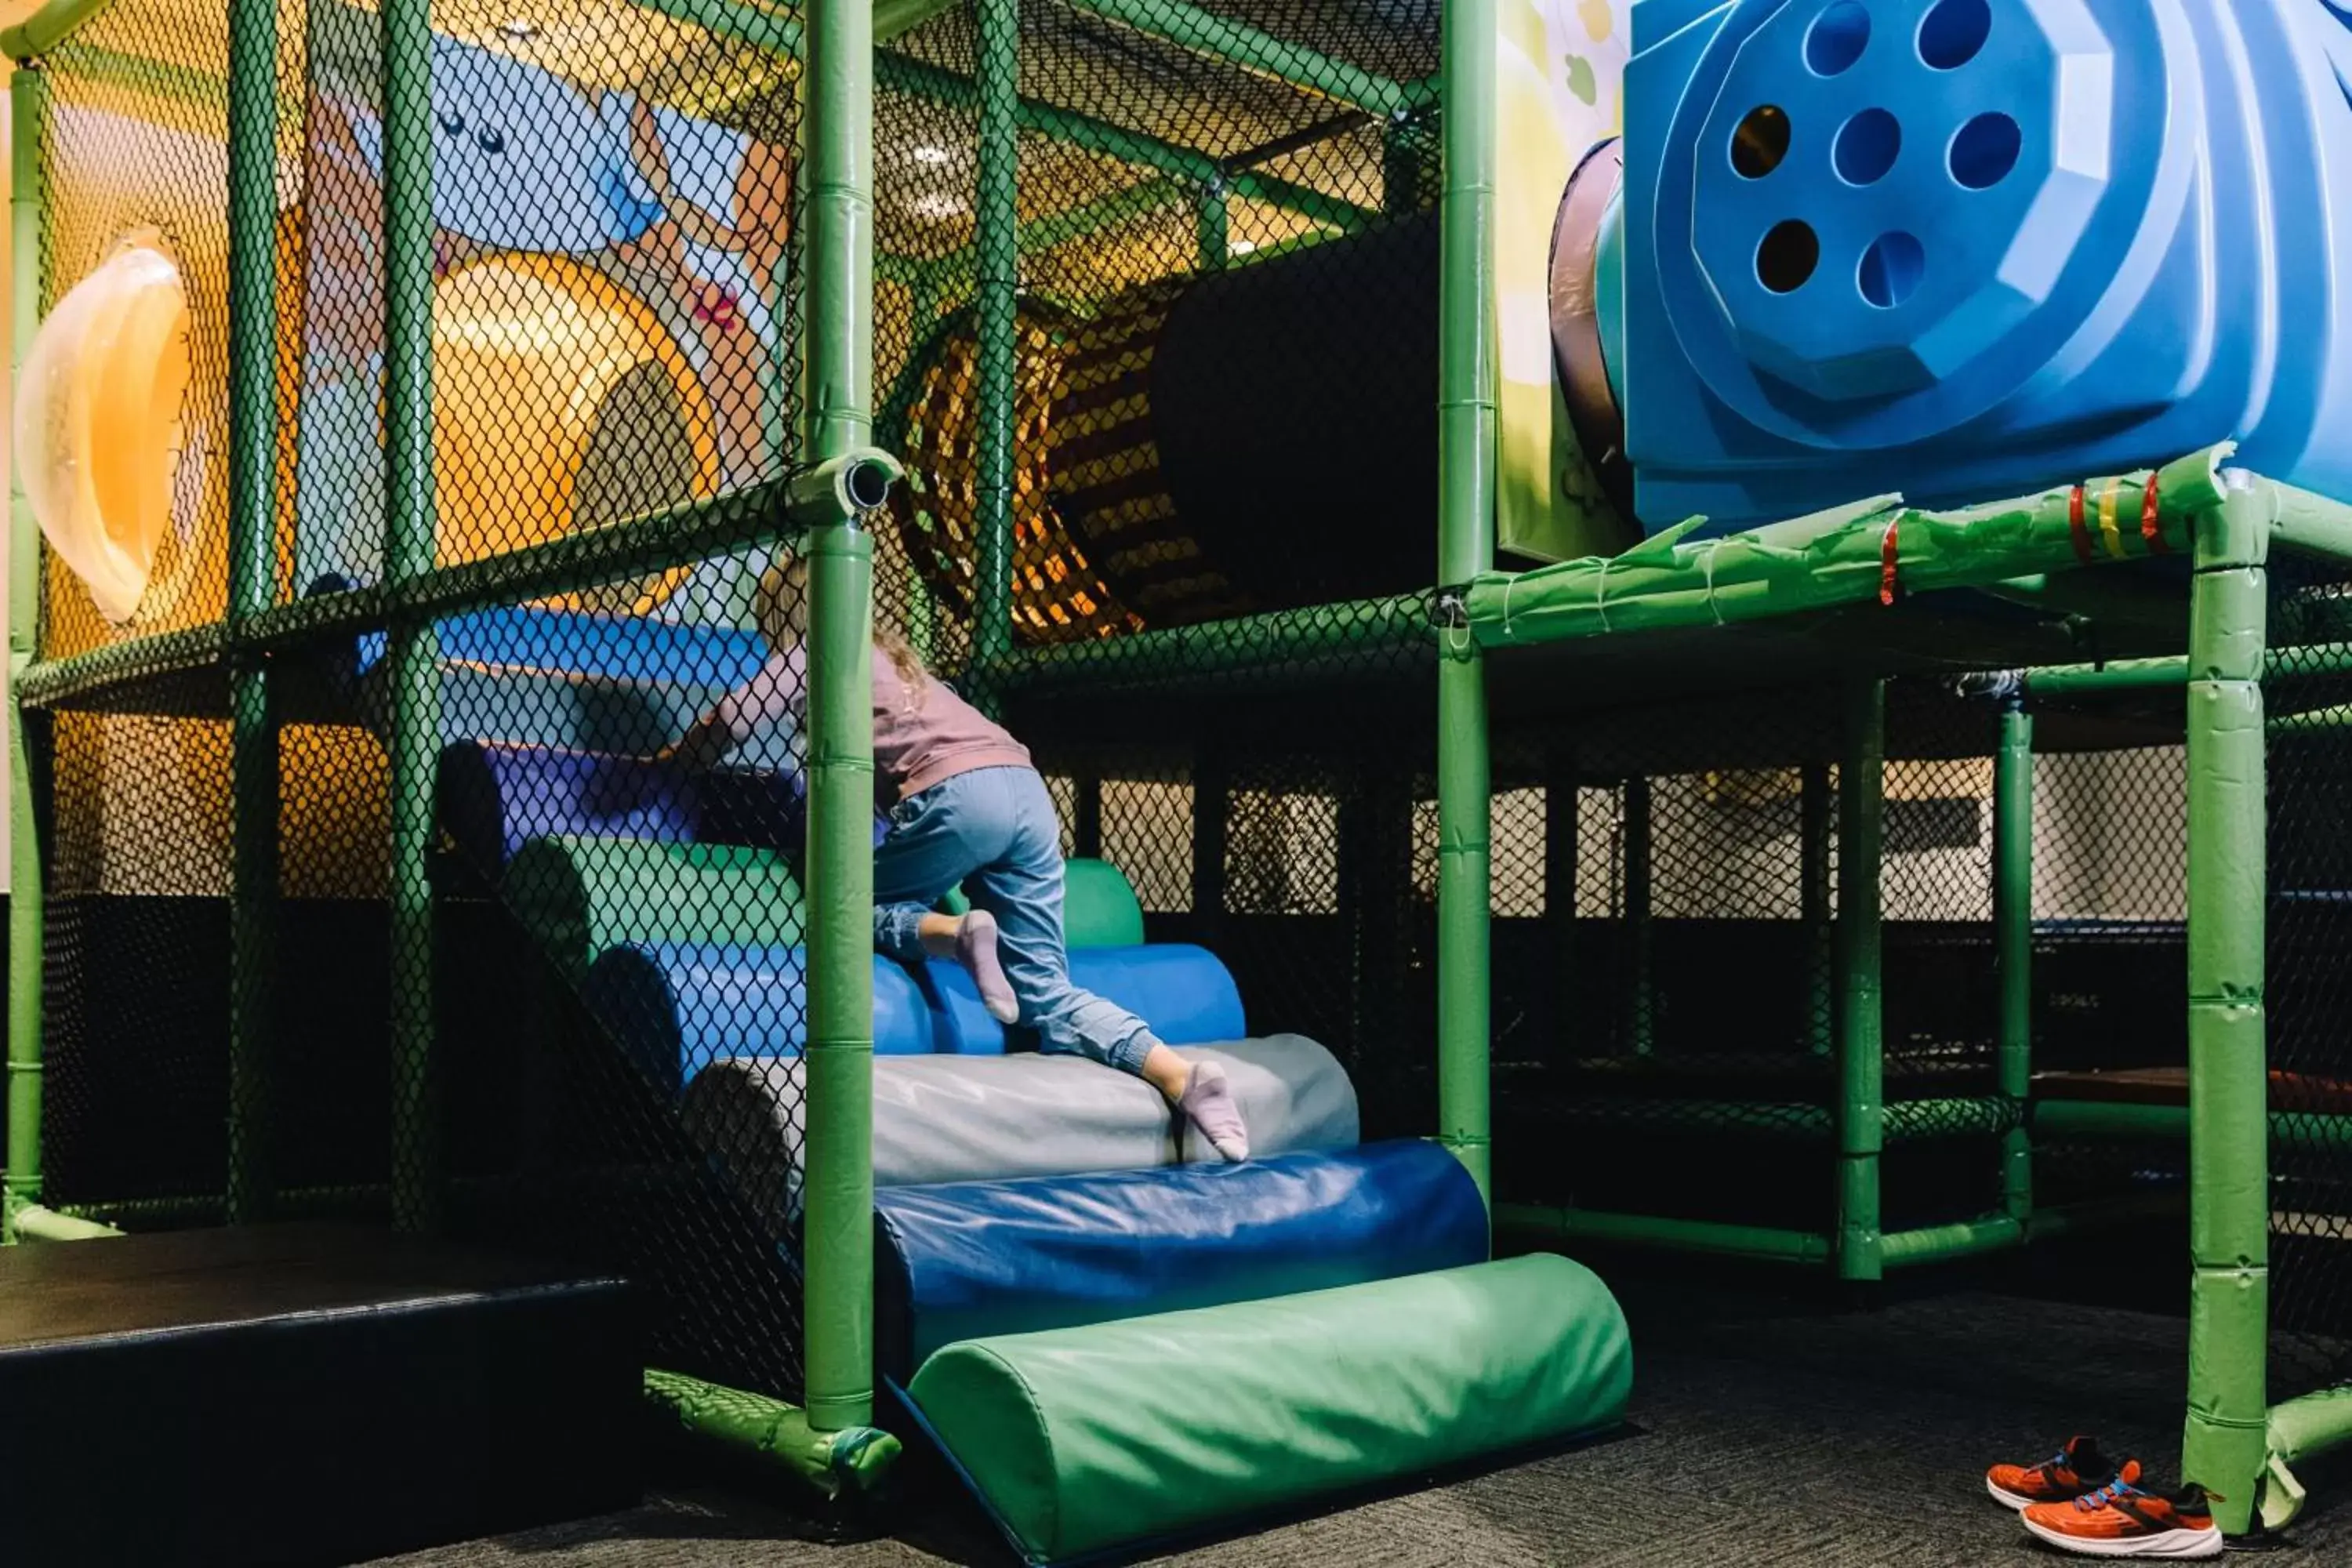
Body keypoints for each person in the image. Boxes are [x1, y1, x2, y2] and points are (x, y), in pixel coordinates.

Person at [666, 557, 1250, 1160]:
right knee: (1045, 992)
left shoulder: (818, 649)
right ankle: (1181, 1076)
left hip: (957, 796)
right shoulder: (906, 670)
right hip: (1026, 791)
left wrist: (677, 761)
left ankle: (955, 933)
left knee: (841, 907)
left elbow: (733, 717)